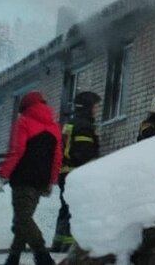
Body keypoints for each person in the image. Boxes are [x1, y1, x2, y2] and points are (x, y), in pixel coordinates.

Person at [0, 91, 62, 265]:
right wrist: (51, 180)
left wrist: (3, 174)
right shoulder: (54, 127)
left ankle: (42, 256)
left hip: (23, 179)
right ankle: (13, 258)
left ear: (25, 107)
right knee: (23, 219)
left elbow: (16, 151)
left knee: (23, 219)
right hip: (41, 181)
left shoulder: (23, 122)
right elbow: (57, 157)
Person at [50, 91, 100, 253]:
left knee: (65, 206)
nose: (96, 110)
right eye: (94, 107)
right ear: (87, 107)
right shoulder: (84, 126)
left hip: (65, 172)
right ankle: (70, 245)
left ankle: (58, 242)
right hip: (76, 173)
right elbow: (83, 153)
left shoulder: (70, 123)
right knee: (75, 208)